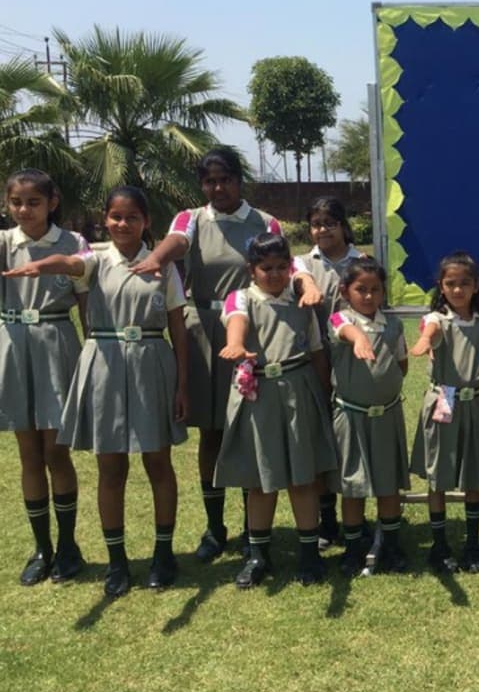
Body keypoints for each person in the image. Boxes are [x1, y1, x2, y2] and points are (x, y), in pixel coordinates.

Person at [129, 147, 322, 563]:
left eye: (225, 179)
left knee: (250, 430)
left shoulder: (264, 221)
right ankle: (215, 527)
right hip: (206, 333)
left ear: (239, 180)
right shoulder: (192, 218)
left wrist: (305, 281)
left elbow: (288, 263)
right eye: (210, 181)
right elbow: (178, 242)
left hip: (257, 330)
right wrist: (156, 257)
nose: (218, 188)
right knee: (213, 433)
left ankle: (254, 528)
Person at [5, 186, 187, 596]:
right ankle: (117, 563)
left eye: (132, 217)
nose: (123, 224)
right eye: (115, 216)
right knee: (111, 468)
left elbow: (178, 328)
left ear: (146, 221)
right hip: (105, 367)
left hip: (152, 365)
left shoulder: (163, 267)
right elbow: (70, 263)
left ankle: (163, 554)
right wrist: (42, 266)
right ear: (105, 220)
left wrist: (182, 386)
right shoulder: (96, 260)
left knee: (158, 463)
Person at [213, 234, 337, 588]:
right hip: (259, 395)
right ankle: (258, 555)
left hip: (300, 390)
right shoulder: (241, 298)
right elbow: (237, 322)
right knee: (261, 481)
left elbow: (316, 351)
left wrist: (324, 392)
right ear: (251, 269)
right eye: (266, 268)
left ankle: (309, 553)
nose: (274, 274)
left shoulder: (301, 302)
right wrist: (236, 345)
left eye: (282, 267)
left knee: (302, 477)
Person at [0, 169, 89, 585]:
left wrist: (92, 353)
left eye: (33, 202)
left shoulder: (72, 243)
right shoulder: (5, 243)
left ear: (52, 203)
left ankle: (68, 546)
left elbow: (87, 303)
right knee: (29, 453)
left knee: (56, 451)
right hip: (14, 344)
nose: (23, 210)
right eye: (16, 202)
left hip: (56, 341)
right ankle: (42, 548)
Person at [409, 251, 479, 574]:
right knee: (439, 475)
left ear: (476, 285)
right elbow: (429, 332)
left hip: (474, 403)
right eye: (450, 284)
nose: (458, 290)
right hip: (444, 400)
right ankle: (440, 544)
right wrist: (423, 342)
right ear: (440, 286)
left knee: (473, 474)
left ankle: (472, 543)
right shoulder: (437, 319)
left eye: (465, 283)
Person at [328, 257, 411, 575]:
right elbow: (344, 330)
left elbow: (401, 363)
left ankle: (391, 546)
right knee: (353, 484)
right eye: (360, 289)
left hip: (386, 416)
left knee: (388, 484)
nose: (368, 296)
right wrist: (360, 338)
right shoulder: (339, 319)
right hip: (352, 417)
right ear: (345, 291)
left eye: (375, 289)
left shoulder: (393, 325)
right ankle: (353, 549)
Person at [305, 196, 362, 548]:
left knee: (351, 439)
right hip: (311, 361)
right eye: (316, 224)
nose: (323, 230)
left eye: (329, 223)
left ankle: (356, 517)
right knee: (319, 441)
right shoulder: (302, 264)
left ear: (342, 225)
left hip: (352, 361)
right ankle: (326, 521)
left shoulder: (362, 262)